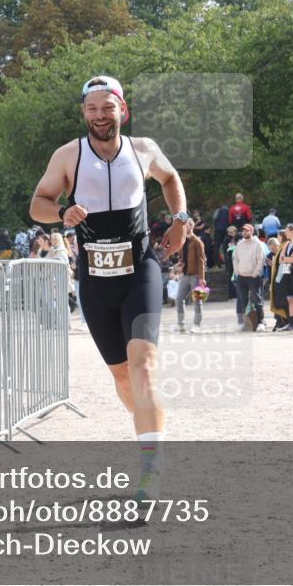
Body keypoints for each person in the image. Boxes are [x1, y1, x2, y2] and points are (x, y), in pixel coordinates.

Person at [29, 75, 187, 500]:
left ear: (123, 110)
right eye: (92, 109)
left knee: (144, 369)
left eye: (108, 107)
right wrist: (62, 212)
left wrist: (180, 220)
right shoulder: (68, 156)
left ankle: (150, 470)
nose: (100, 116)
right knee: (122, 377)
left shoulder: (143, 150)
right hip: (96, 281)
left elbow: (171, 180)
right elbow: (37, 203)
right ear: (84, 113)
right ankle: (153, 430)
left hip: (140, 272)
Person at [173, 219, 206, 333]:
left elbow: (202, 261)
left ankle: (197, 325)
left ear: (191, 226)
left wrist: (202, 278)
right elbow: (181, 258)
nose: (185, 227)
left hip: (196, 275)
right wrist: (178, 268)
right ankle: (181, 324)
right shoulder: (182, 241)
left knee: (197, 300)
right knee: (179, 299)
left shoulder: (197, 242)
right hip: (185, 275)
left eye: (186, 225)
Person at [232, 223, 265, 331]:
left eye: (247, 230)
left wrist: (256, 272)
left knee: (256, 299)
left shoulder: (258, 244)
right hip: (241, 276)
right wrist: (237, 271)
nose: (244, 232)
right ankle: (248, 323)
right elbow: (235, 259)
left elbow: (261, 259)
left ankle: (261, 322)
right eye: (243, 231)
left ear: (252, 231)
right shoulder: (240, 244)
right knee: (243, 301)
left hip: (253, 276)